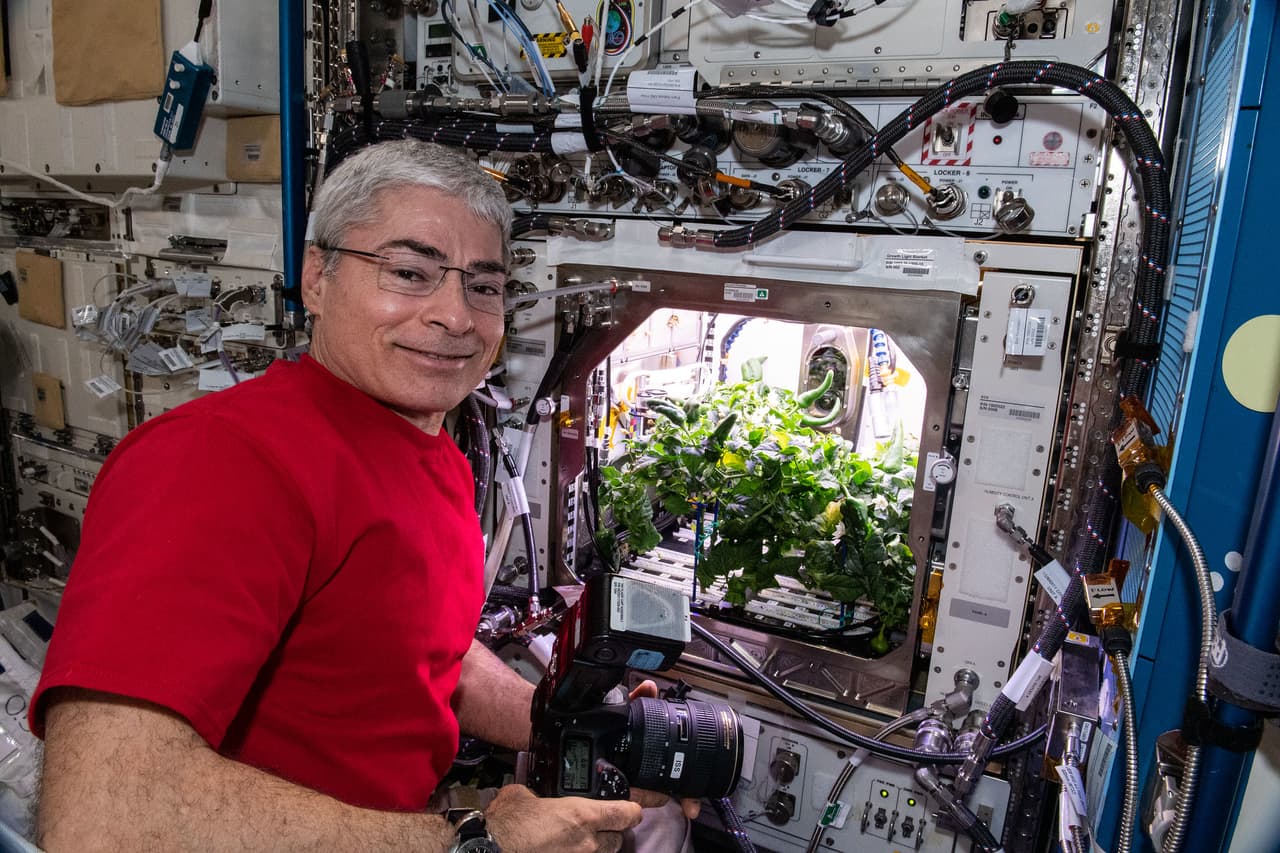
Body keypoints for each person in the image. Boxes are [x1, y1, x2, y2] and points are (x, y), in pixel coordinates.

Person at [31, 140, 693, 852]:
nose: (456, 316)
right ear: (318, 278)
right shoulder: (220, 462)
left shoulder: (433, 450)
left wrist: (574, 721)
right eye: (409, 272)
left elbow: (428, 654)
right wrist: (475, 842)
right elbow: (103, 818)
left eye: (484, 285)